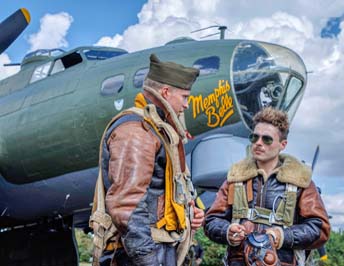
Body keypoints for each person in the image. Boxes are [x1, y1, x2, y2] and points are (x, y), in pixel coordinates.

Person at [91, 54, 205, 266]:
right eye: (184, 97)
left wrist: (189, 213)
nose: (187, 105)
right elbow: (128, 207)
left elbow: (160, 193)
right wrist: (148, 260)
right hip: (139, 255)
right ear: (165, 92)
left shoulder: (157, 129)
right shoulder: (136, 131)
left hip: (155, 251)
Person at [203, 107, 330, 265]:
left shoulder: (301, 182)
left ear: (283, 144)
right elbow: (211, 221)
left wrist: (281, 235)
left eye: (267, 139)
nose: (258, 143)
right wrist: (228, 231)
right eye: (254, 137)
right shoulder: (235, 178)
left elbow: (319, 229)